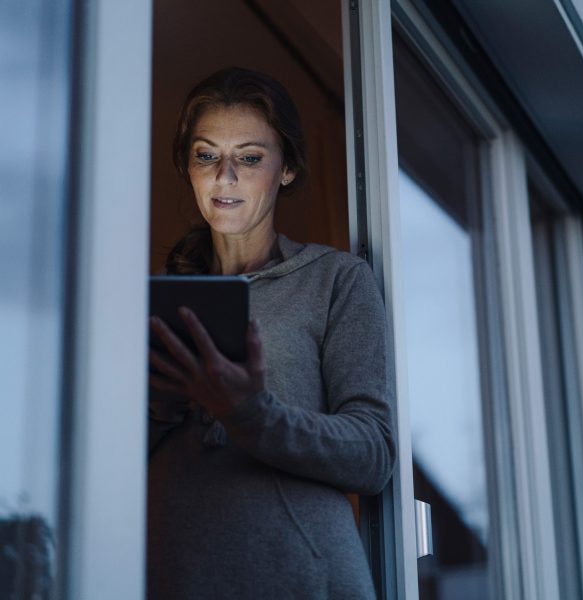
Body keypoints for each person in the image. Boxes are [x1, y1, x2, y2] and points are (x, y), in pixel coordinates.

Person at [147, 67, 396, 600]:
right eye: (206, 154)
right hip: (177, 576)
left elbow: (373, 453)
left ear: (286, 169)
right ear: (187, 166)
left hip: (305, 579)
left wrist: (252, 414)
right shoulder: (150, 305)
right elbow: (93, 465)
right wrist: (160, 405)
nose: (225, 176)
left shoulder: (336, 279)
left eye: (251, 158)